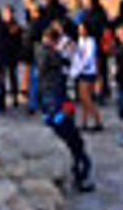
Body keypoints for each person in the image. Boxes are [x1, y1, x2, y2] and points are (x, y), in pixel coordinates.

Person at [38, 27, 93, 190]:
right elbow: (68, 66)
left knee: (71, 140)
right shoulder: (53, 57)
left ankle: (79, 174)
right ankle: (80, 178)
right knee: (76, 145)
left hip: (52, 102)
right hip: (58, 103)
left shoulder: (42, 53)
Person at [69, 22, 103, 131]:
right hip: (80, 71)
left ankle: (97, 120)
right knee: (82, 98)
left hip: (88, 71)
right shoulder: (80, 41)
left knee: (86, 98)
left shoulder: (91, 42)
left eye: (82, 29)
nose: (80, 31)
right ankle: (84, 121)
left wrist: (80, 67)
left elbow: (88, 57)